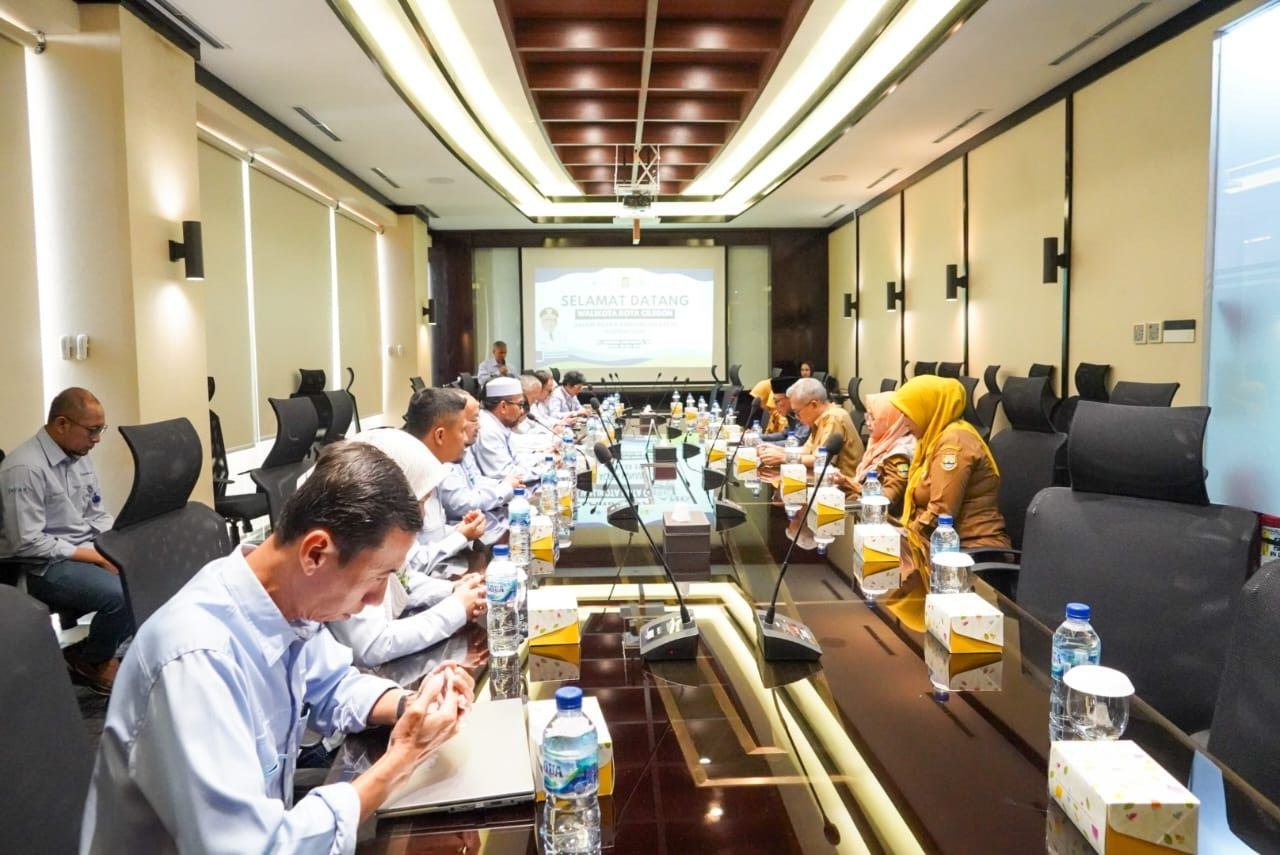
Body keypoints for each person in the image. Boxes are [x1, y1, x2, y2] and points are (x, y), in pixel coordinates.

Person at [81, 442, 475, 852]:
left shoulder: (281, 601)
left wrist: (411, 705)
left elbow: (334, 682)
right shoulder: (196, 661)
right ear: (316, 553)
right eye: (377, 577)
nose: (377, 599)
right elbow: (252, 848)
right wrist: (401, 761)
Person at [0, 387, 132, 695]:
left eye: (100, 430)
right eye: (92, 430)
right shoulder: (25, 468)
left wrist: (118, 544)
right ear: (62, 424)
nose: (97, 439)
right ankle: (92, 661)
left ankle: (94, 651)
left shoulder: (78, 456)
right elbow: (27, 542)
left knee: (144, 576)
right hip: (39, 566)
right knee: (122, 595)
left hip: (79, 551)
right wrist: (96, 557)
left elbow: (96, 513)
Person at [326, 429, 487, 667]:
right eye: (420, 501)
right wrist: (455, 609)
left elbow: (403, 579)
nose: (423, 514)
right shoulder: (352, 540)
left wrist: (451, 590)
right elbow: (373, 645)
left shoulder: (379, 536)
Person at [890, 375, 1010, 558]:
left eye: (907, 414)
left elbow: (941, 512)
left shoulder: (954, 443)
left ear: (927, 409)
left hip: (971, 550)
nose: (903, 422)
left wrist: (902, 535)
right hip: (939, 545)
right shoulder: (930, 440)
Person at [403, 389, 487, 574]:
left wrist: (460, 530)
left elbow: (430, 537)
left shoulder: (433, 467)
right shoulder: (408, 477)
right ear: (440, 435)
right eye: (461, 430)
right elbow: (411, 566)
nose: (465, 438)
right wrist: (460, 537)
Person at [438, 390, 518, 540]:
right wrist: (505, 489)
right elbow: (463, 505)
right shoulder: (443, 457)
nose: (479, 426)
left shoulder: (462, 447)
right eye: (474, 420)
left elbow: (476, 480)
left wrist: (505, 485)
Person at [759, 378, 864, 483]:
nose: (797, 418)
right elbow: (807, 450)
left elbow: (821, 460)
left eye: (797, 412)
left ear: (814, 404)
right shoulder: (819, 419)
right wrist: (777, 449)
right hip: (824, 480)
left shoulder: (834, 417)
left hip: (845, 486)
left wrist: (784, 457)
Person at [832, 392, 916, 516]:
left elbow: (888, 499)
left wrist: (851, 484)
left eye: (873, 418)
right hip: (867, 512)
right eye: (867, 416)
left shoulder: (899, 454)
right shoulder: (880, 443)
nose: (867, 423)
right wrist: (846, 482)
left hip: (883, 520)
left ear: (889, 420)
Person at [472, 376, 541, 482]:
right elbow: (505, 474)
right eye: (520, 405)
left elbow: (516, 460)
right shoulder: (488, 429)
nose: (522, 411)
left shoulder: (498, 424)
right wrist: (543, 472)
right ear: (503, 407)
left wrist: (544, 460)